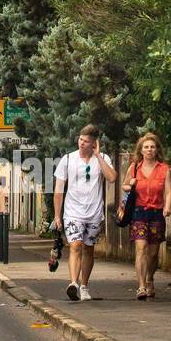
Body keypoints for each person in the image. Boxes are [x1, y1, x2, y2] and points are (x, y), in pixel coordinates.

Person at [53, 124, 117, 301]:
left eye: (86, 141)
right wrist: (57, 215)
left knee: (89, 249)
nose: (81, 143)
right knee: (75, 245)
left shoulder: (102, 158)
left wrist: (98, 156)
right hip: (73, 212)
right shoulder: (67, 159)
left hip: (94, 213)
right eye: (80, 139)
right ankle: (73, 283)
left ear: (94, 143)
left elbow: (112, 178)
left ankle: (84, 286)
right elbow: (59, 190)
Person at [125, 132, 171, 299]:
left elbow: (168, 190)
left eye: (152, 147)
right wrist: (130, 184)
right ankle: (141, 287)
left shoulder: (164, 169)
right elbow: (124, 186)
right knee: (141, 249)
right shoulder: (134, 168)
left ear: (157, 149)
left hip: (157, 213)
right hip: (139, 212)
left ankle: (150, 278)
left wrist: (167, 207)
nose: (149, 150)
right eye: (146, 147)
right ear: (141, 150)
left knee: (153, 253)